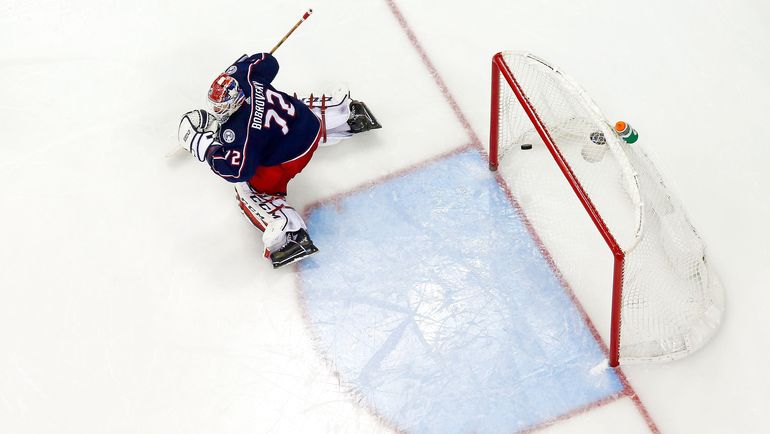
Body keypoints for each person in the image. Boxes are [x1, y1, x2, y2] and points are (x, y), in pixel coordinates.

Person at [177, 52, 381, 268]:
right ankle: (343, 113)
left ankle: (288, 233)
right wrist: (235, 70)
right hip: (310, 125)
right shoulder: (246, 79)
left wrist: (202, 145)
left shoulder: (240, 132)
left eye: (220, 107)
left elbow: (237, 171)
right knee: (288, 106)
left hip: (289, 159)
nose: (216, 111)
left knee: (247, 189)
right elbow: (268, 62)